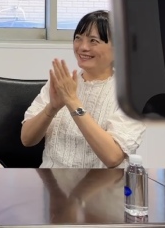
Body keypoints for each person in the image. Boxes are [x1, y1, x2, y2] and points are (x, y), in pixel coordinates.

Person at [21, 10, 145, 168]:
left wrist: (73, 102)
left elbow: (113, 157)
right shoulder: (62, 83)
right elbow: (27, 139)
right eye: (78, 38)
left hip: (104, 183)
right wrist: (51, 108)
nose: (82, 47)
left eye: (93, 41)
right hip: (52, 180)